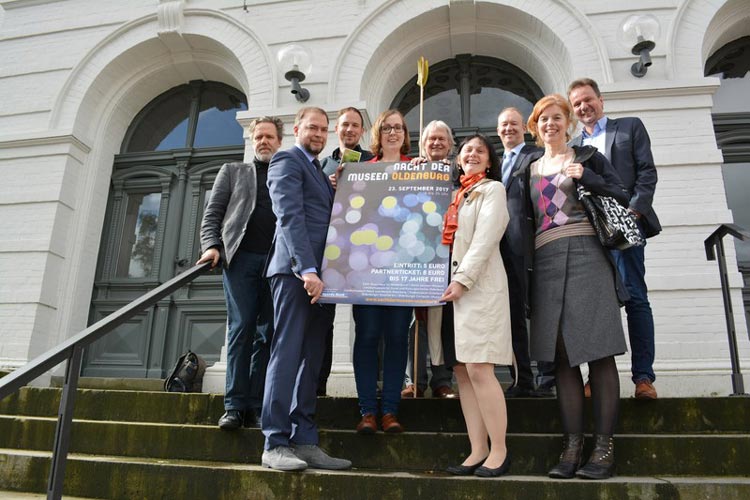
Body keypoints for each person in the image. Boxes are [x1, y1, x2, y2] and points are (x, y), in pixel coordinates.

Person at [518, 94, 630, 480]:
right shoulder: (527, 168)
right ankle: (572, 446)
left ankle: (603, 448)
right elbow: (521, 221)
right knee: (562, 357)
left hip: (587, 255)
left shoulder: (587, 158)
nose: (550, 124)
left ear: (568, 122)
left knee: (599, 353)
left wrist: (591, 179)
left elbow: (622, 195)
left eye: (556, 117)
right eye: (543, 119)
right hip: (546, 262)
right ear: (535, 127)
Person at [261, 106, 351, 472]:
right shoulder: (285, 160)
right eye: (311, 127)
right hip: (297, 274)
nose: (317, 133)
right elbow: (289, 216)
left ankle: (305, 440)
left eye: (322, 129)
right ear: (296, 128)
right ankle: (274, 442)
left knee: (311, 359)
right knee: (287, 354)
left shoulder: (317, 169)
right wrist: (307, 269)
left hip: (322, 279)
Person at [568, 78, 661, 400]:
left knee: (635, 298)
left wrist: (634, 211)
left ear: (601, 100)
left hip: (627, 227)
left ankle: (643, 378)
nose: (583, 107)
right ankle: (597, 378)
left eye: (587, 100)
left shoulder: (630, 127)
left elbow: (647, 172)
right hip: (593, 235)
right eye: (577, 103)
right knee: (598, 306)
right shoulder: (574, 146)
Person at [197, 116, 282, 430]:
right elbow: (213, 214)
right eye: (258, 136)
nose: (263, 141)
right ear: (252, 140)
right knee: (242, 328)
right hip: (240, 259)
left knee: (267, 333)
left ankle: (256, 405)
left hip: (277, 263)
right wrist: (212, 245)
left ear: (279, 141)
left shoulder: (285, 173)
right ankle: (233, 406)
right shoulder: (232, 171)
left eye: (269, 137)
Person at [442, 134, 512, 478]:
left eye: (479, 151)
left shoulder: (492, 190)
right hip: (452, 293)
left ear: (489, 161)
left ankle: (499, 450)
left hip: (477, 289)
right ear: (458, 160)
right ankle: (477, 449)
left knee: (481, 369)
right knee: (463, 373)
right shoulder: (456, 196)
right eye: (466, 150)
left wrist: (463, 280)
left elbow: (486, 239)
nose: (471, 154)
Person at [351, 109, 413, 434]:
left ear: (405, 133)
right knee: (368, 336)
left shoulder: (415, 168)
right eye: (386, 128)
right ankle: (367, 412)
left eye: (398, 128)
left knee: (397, 337)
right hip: (368, 270)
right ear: (378, 134)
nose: (392, 133)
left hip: (404, 270)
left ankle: (389, 411)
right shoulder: (362, 171)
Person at [496, 107, 556, 398]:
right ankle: (521, 378)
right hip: (501, 250)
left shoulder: (535, 156)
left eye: (514, 124)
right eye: (504, 125)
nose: (508, 129)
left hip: (532, 246)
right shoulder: (495, 163)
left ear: (524, 128)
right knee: (513, 316)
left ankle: (548, 377)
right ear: (498, 131)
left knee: (542, 310)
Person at [317, 107, 374, 396]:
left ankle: (371, 388)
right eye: (344, 125)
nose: (349, 130)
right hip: (329, 254)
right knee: (322, 324)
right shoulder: (322, 164)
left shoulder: (374, 162)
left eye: (355, 125)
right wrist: (328, 187)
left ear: (362, 131)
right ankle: (318, 388)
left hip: (366, 252)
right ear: (335, 130)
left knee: (367, 324)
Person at [402, 120, 457, 400]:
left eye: (441, 139)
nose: (436, 143)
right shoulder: (414, 171)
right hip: (415, 256)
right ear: (423, 144)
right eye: (431, 139)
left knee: (440, 322)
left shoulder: (458, 173)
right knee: (414, 322)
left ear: (450, 145)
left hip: (447, 257)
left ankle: (442, 380)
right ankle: (414, 380)